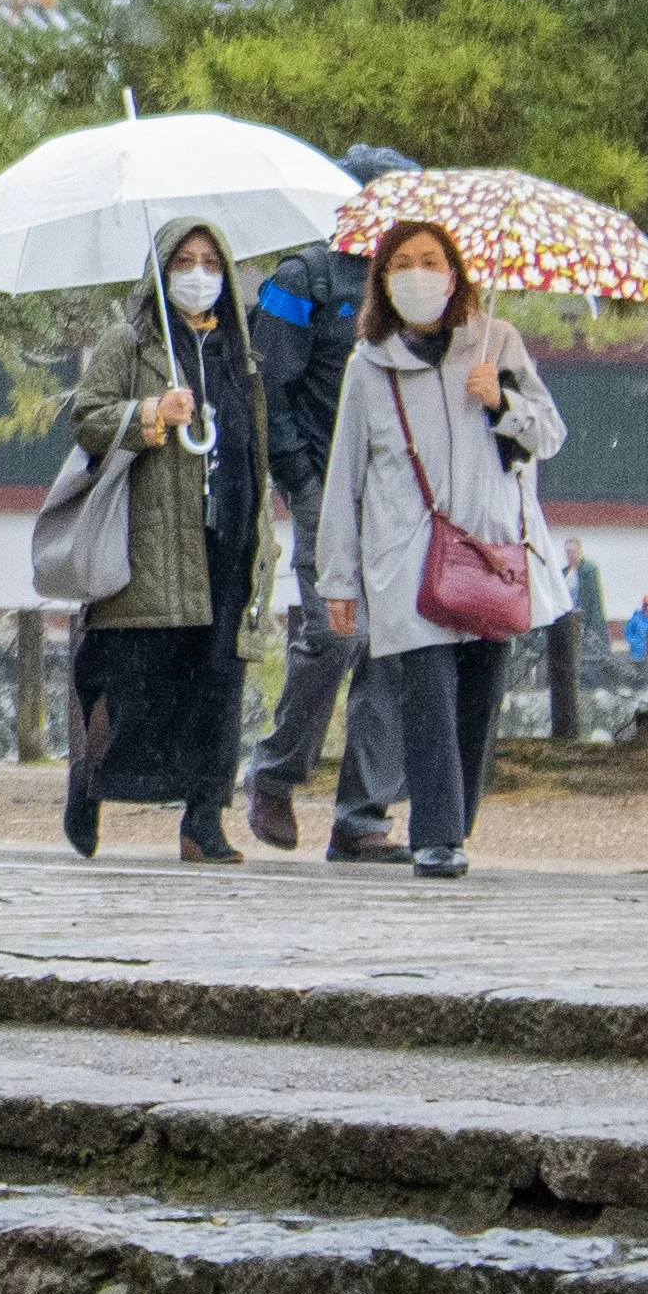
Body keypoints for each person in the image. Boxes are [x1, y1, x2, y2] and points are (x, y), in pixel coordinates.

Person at [321, 208, 566, 875]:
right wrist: (337, 579)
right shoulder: (369, 366)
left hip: (489, 552)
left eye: (430, 262)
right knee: (426, 694)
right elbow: (346, 477)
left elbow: (547, 435)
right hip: (406, 557)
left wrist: (502, 403)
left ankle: (456, 823)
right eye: (400, 265)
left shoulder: (498, 342)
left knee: (479, 697)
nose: (416, 276)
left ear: (454, 274)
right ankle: (436, 837)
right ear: (381, 281)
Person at [61, 224, 264, 861]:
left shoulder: (239, 350)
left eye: (210, 262)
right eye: (184, 261)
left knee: (218, 678)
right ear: (161, 269)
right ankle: (91, 783)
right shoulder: (131, 341)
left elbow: (254, 446)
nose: (198, 273)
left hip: (225, 537)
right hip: (150, 536)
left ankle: (205, 818)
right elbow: (87, 419)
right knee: (134, 674)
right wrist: (149, 414)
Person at [233, 152, 416, 850]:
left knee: (392, 648)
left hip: (399, 494)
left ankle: (362, 817)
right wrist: (301, 480)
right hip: (320, 485)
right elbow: (269, 386)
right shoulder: (299, 277)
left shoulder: (415, 283)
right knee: (338, 635)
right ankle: (276, 773)